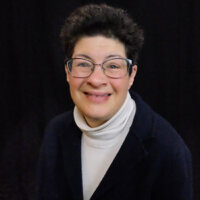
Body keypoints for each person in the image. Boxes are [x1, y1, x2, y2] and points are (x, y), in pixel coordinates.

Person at [37, 4, 193, 200]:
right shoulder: (56, 132)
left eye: (112, 66)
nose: (96, 80)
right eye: (83, 64)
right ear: (68, 72)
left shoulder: (167, 152)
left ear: (131, 75)